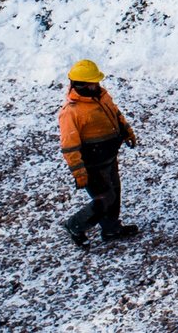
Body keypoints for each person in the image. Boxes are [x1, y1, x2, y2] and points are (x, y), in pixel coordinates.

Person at [59, 59, 140, 246]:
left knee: (114, 193)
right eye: (93, 82)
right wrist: (79, 173)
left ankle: (111, 229)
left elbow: (116, 114)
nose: (97, 85)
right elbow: (69, 147)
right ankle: (75, 225)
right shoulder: (71, 112)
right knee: (103, 199)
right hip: (92, 165)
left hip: (108, 158)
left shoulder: (102, 97)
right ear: (82, 85)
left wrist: (127, 131)